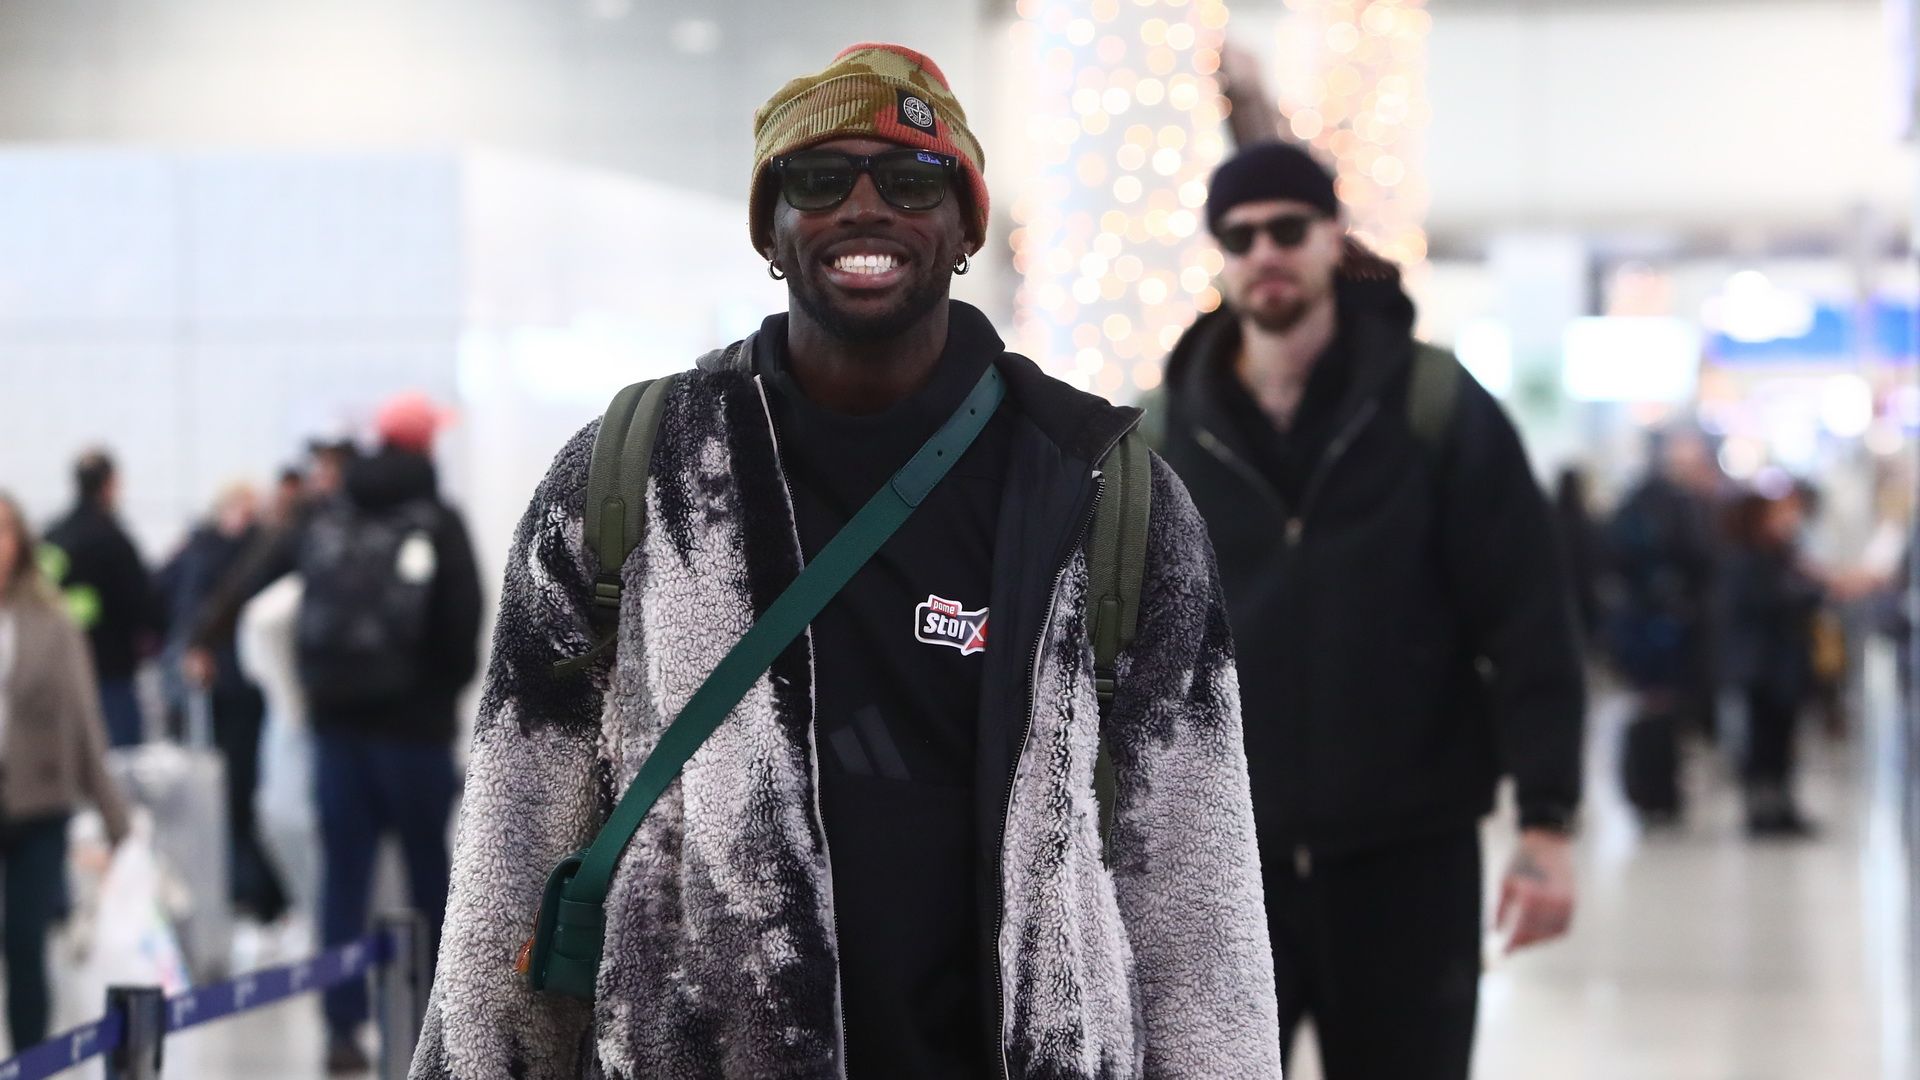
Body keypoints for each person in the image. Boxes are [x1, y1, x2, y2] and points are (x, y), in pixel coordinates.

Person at [414, 43, 1279, 1080]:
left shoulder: (1104, 492)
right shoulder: (631, 477)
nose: (865, 207)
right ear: (770, 231)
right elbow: (513, 853)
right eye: (819, 179)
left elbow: (1195, 893)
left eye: (912, 179)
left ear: (966, 227)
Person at [1147, 140, 1585, 1079]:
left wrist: (1547, 822)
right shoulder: (1164, 431)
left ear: (1331, 236)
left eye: (1288, 228)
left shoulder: (1432, 405)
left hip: (1407, 860)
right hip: (1221, 869)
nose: (1266, 252)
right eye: (1240, 236)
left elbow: (1528, 617)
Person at [300, 395, 482, 1073]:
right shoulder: (438, 519)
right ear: (427, 445)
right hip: (415, 733)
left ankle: (341, 1028)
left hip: (337, 729)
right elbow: (463, 622)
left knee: (343, 879)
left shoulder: (334, 511)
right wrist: (436, 694)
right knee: (427, 871)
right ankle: (441, 1019)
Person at [0, 492, 132, 1051]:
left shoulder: (52, 621)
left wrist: (116, 818)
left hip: (38, 800)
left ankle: (29, 1058)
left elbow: (84, 720)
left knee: (25, 940)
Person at [161, 482, 289, 925]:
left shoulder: (248, 549)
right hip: (232, 688)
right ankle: (247, 892)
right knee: (235, 795)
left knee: (245, 795)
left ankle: (257, 893)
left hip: (246, 690)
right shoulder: (219, 550)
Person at [1606, 429, 1723, 821]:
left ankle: (1653, 791)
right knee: (1663, 709)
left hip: (1650, 624)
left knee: (1656, 708)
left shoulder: (1637, 503)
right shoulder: (1673, 505)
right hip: (1664, 627)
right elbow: (1701, 560)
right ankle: (1657, 790)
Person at [1721, 490, 1826, 837]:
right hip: (1762, 667)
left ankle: (1781, 807)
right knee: (1762, 742)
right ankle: (1762, 810)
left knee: (1782, 740)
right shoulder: (1747, 559)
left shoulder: (1780, 556)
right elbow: (1772, 601)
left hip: (1782, 666)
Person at [42, 450, 162, 747]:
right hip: (111, 672)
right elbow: (143, 605)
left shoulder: (53, 535)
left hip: (60, 671)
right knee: (121, 760)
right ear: (110, 484)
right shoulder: (113, 538)